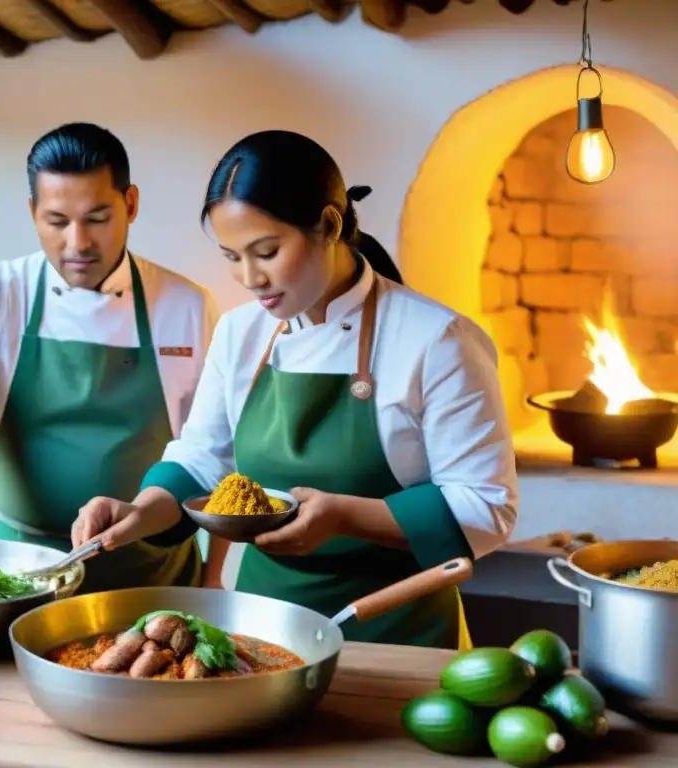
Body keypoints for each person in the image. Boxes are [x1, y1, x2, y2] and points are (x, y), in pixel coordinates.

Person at [72, 130, 518, 649]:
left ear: (329, 225)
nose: (249, 277)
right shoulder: (241, 333)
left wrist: (345, 516)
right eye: (232, 256)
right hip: (264, 633)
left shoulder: (436, 341)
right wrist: (139, 511)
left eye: (266, 251)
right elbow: (202, 460)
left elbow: (487, 508)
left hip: (398, 631)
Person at [0, 122, 217, 594]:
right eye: (57, 221)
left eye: (97, 218)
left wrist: (214, 577)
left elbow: (212, 450)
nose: (78, 243)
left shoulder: (186, 306)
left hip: (154, 575)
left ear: (130, 205)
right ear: (33, 212)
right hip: (20, 576)